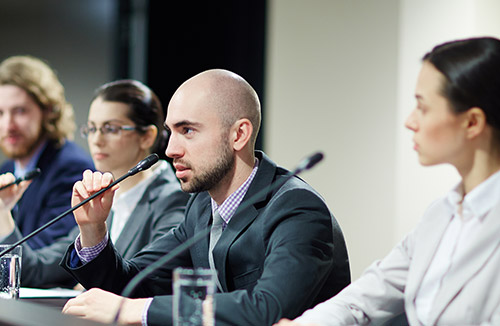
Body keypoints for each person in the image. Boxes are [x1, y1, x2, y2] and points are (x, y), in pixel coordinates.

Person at [59, 69, 351, 325]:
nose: (171, 149)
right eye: (170, 132)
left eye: (188, 130)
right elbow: (133, 283)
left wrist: (135, 309)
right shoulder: (201, 206)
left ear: (238, 135)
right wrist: (93, 230)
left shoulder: (297, 208)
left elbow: (267, 310)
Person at [275, 36, 500, 326]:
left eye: (423, 107)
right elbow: (369, 294)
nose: (410, 121)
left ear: (472, 123)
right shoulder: (441, 214)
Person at [0, 79, 190, 288]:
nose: (96, 140)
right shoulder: (106, 199)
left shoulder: (174, 201)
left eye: (110, 129)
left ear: (147, 136)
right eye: (91, 129)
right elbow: (35, 271)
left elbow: (145, 283)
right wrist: (2, 211)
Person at [0, 55, 94, 249]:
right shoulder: (7, 169)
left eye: (20, 111)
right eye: (0, 113)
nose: (8, 125)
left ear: (48, 111)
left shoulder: (71, 168)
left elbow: (40, 256)